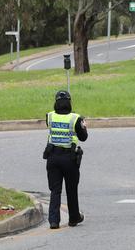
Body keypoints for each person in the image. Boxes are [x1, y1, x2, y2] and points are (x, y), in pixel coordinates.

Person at [43, 90, 88, 229]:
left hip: (53, 157)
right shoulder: (75, 118)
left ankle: (54, 221)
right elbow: (83, 138)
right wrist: (84, 126)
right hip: (69, 158)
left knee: (55, 190)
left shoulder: (49, 116)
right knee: (71, 189)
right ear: (69, 102)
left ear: (56, 102)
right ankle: (73, 218)